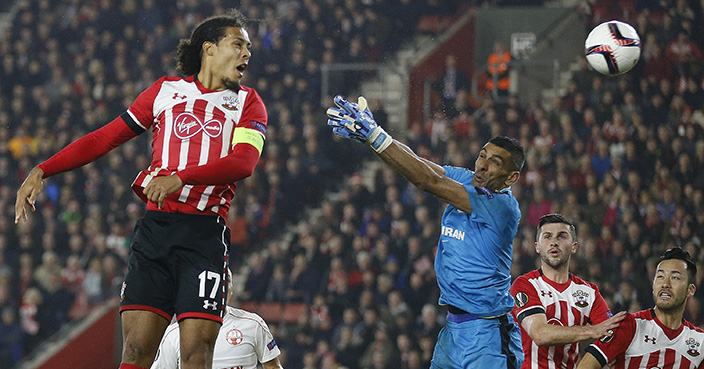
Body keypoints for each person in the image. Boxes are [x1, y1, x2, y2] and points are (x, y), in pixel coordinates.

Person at [15, 10, 267, 369]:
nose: (247, 53)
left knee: (196, 357)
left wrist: (179, 178)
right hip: (155, 233)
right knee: (135, 353)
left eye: (249, 47)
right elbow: (105, 137)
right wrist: (43, 169)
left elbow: (244, 162)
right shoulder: (165, 91)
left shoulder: (248, 102)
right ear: (209, 49)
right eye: (238, 44)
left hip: (204, 238)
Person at [326, 95, 526, 368]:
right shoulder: (468, 179)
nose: (482, 164)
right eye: (482, 155)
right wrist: (378, 136)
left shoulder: (502, 206)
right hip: (454, 328)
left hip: (488, 333)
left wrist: (375, 137)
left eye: (495, 162)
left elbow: (427, 181)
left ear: (511, 177)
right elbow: (420, 164)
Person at [510, 214, 626, 369]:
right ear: (537, 247)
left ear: (574, 247)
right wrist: (591, 331)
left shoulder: (589, 292)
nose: (554, 242)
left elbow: (612, 335)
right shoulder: (525, 285)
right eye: (547, 236)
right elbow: (540, 334)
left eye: (561, 236)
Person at [577, 247, 704, 369]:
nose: (665, 284)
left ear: (690, 290)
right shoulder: (630, 325)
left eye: (675, 277)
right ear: (653, 285)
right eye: (660, 276)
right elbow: (586, 365)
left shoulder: (700, 342)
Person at [151, 270, 283, 369]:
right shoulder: (174, 334)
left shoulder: (253, 324)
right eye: (213, 282)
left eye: (227, 281)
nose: (222, 287)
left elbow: (273, 366)